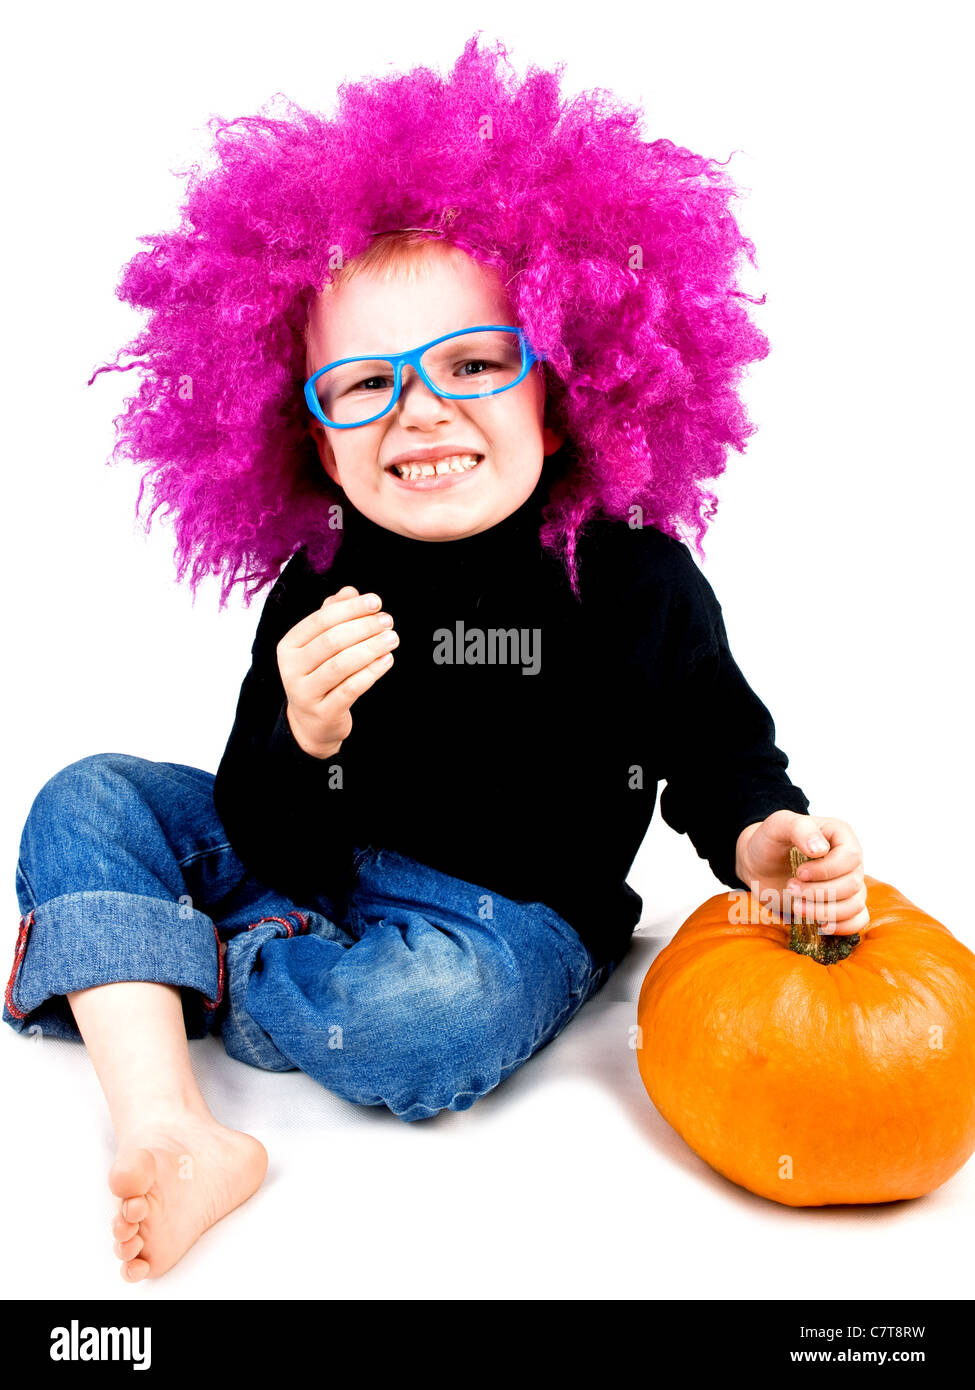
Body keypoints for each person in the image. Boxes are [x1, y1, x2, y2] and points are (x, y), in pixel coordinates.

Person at [5, 35, 868, 1282]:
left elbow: (721, 761)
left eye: (473, 364)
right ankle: (174, 1127)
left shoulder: (632, 581)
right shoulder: (318, 588)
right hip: (314, 874)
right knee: (85, 792)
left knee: (419, 1024)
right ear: (311, 434)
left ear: (563, 384)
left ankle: (139, 960)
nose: (420, 411)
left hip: (498, 923)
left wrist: (768, 843)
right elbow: (267, 822)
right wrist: (300, 736)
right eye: (363, 385)